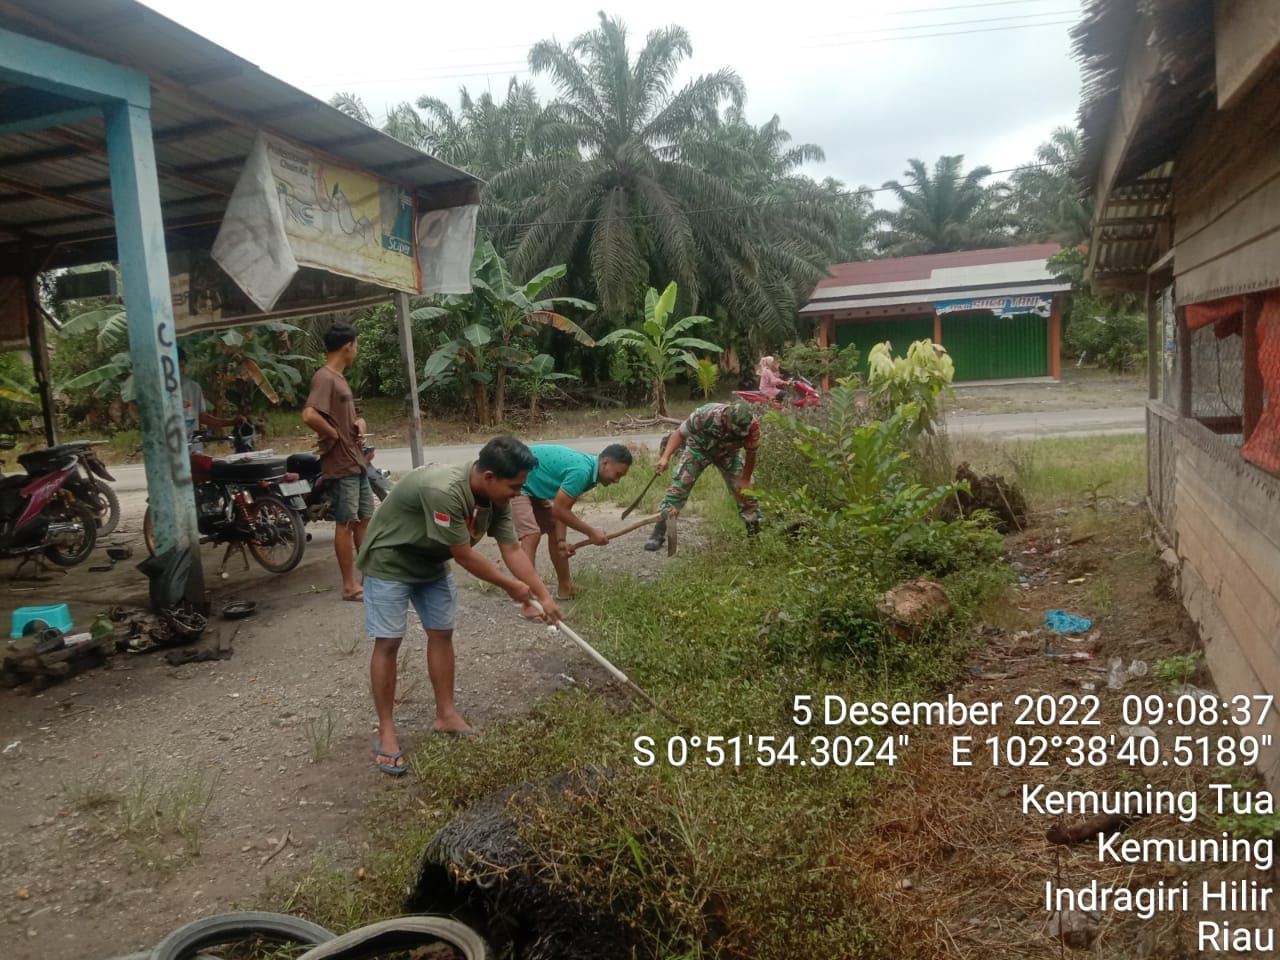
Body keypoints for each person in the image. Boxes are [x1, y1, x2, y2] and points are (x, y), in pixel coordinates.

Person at [355, 436, 563, 775]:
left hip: (431, 561)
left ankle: (446, 715)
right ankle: (387, 731)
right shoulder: (444, 491)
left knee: (442, 634)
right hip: (389, 559)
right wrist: (512, 587)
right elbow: (464, 555)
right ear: (489, 476)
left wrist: (544, 596)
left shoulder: (497, 497)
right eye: (515, 486)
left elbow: (512, 550)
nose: (518, 494)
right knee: (389, 642)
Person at [509, 443, 634, 615]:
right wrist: (591, 532)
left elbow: (562, 508)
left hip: (534, 485)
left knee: (554, 529)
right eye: (618, 474)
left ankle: (565, 587)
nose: (617, 480)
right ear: (605, 463)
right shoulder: (582, 471)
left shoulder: (590, 472)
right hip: (516, 481)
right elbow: (559, 510)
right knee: (531, 534)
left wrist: (561, 541)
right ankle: (528, 602)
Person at [302, 323, 371, 602]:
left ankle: (369, 579)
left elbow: (345, 417)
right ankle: (348, 585)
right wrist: (333, 434)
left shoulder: (340, 378)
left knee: (364, 519)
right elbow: (309, 415)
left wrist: (358, 423)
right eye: (356, 345)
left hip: (356, 460)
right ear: (347, 346)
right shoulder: (325, 377)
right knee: (345, 522)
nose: (357, 350)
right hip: (341, 464)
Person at [644, 400, 761, 552]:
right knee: (679, 487)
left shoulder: (751, 426)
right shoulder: (705, 414)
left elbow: (751, 453)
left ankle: (754, 537)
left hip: (729, 454)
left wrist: (745, 480)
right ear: (725, 417)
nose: (739, 432)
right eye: (735, 428)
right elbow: (679, 434)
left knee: (746, 493)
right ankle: (658, 533)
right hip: (698, 449)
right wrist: (665, 457)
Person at [178, 347, 240, 454]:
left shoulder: (193, 388)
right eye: (177, 366)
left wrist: (231, 422)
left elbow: (202, 416)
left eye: (182, 366)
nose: (181, 370)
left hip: (193, 449)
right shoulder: (156, 391)